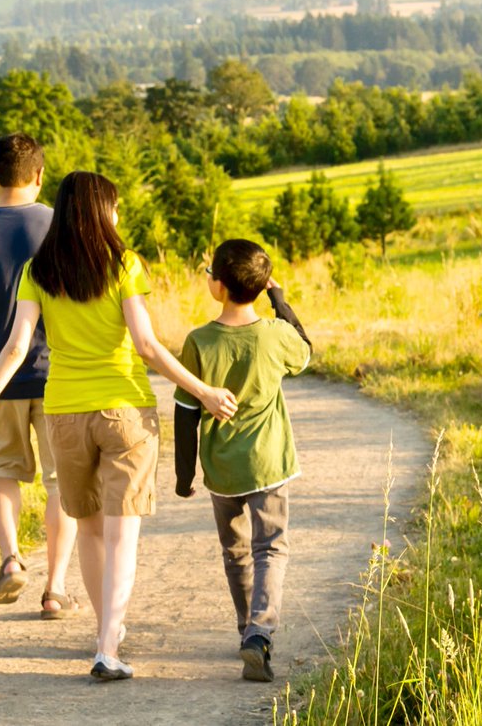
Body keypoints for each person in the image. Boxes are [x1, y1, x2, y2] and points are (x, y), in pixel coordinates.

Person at [0, 171, 238, 682]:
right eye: (113, 206)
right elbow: (148, 346)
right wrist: (202, 391)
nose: (117, 215)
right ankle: (108, 646)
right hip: (124, 414)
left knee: (89, 528)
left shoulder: (38, 269)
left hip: (64, 415)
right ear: (99, 211)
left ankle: (103, 633)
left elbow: (17, 347)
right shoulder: (124, 264)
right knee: (122, 534)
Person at [0, 133, 79, 619]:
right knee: (59, 483)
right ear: (41, 175)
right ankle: (56, 587)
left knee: (1, 470)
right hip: (59, 375)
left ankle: (10, 558)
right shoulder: (62, 227)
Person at [173, 239, 311, 683]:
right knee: (270, 546)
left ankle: (245, 630)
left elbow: (185, 412)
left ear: (218, 286)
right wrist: (279, 298)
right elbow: (304, 347)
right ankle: (259, 633)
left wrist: (182, 474)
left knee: (235, 553)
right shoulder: (275, 334)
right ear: (258, 285)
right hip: (269, 463)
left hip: (221, 470)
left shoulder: (199, 341)